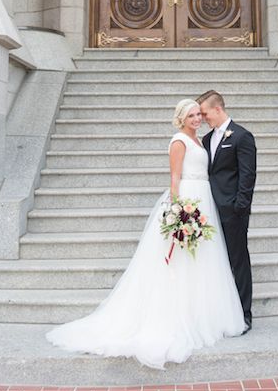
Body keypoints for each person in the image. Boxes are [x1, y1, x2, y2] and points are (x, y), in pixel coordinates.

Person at [46, 99, 245, 369]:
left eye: (199, 114)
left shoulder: (200, 140)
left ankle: (201, 314)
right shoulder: (179, 141)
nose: (197, 118)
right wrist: (179, 211)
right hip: (188, 199)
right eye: (192, 115)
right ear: (181, 118)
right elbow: (175, 177)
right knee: (181, 261)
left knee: (202, 260)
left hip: (205, 198)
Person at [197, 90, 257, 334]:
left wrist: (239, 208)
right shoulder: (206, 139)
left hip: (233, 211)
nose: (202, 118)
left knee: (237, 261)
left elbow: (247, 175)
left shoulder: (242, 136)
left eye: (204, 113)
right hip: (209, 210)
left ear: (218, 109)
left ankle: (244, 314)